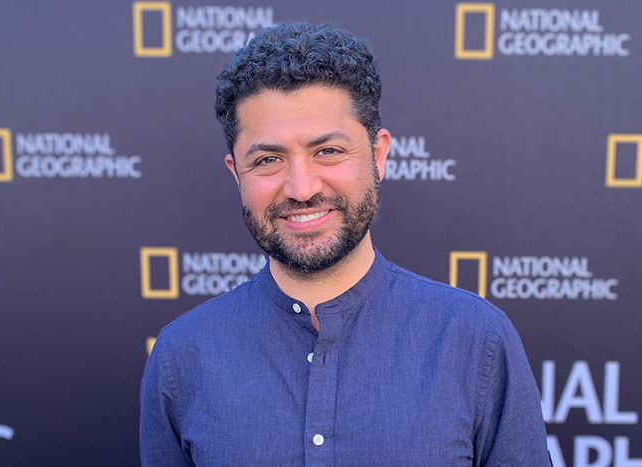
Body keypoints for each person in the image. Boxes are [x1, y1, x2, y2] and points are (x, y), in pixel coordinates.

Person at [140, 22, 550, 466]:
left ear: (378, 155)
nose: (300, 187)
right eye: (268, 159)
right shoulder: (183, 355)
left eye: (328, 151)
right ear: (236, 172)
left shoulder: (475, 340)